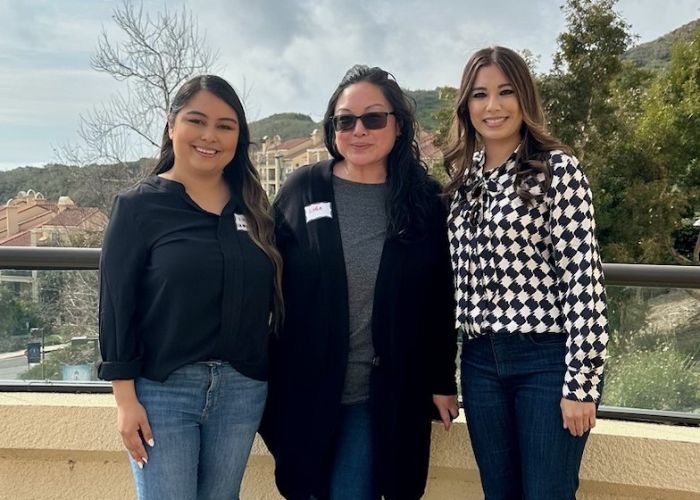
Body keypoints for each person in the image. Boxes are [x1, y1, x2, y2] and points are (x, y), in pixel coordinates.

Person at [259, 65, 459, 500]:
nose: (358, 131)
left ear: (398, 124)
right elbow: (261, 277)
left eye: (373, 118)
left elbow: (439, 300)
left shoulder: (424, 201)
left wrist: (443, 380)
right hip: (307, 389)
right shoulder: (302, 190)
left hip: (383, 393)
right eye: (344, 120)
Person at [98, 74, 283, 500]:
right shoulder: (138, 207)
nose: (209, 136)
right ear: (171, 125)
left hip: (242, 389)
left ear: (239, 136)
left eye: (225, 125)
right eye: (196, 120)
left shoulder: (254, 207)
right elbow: (115, 308)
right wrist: (125, 401)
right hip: (162, 392)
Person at [444, 46, 609, 499]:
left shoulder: (557, 169)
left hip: (546, 360)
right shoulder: (463, 182)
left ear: (525, 99)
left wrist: (582, 383)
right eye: (480, 95)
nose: (492, 106)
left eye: (505, 92)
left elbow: (583, 280)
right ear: (467, 105)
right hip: (479, 362)